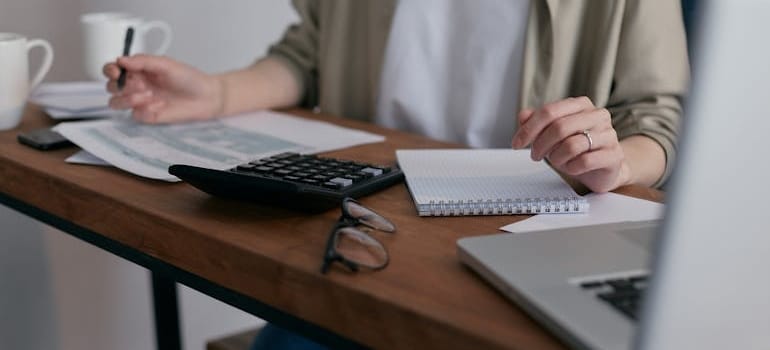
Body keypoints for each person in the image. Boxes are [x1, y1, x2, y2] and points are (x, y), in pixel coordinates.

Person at [103, 0, 689, 348]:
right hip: (362, 228)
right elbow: (308, 54)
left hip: (527, 236)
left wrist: (614, 160)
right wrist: (218, 92)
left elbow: (659, 115)